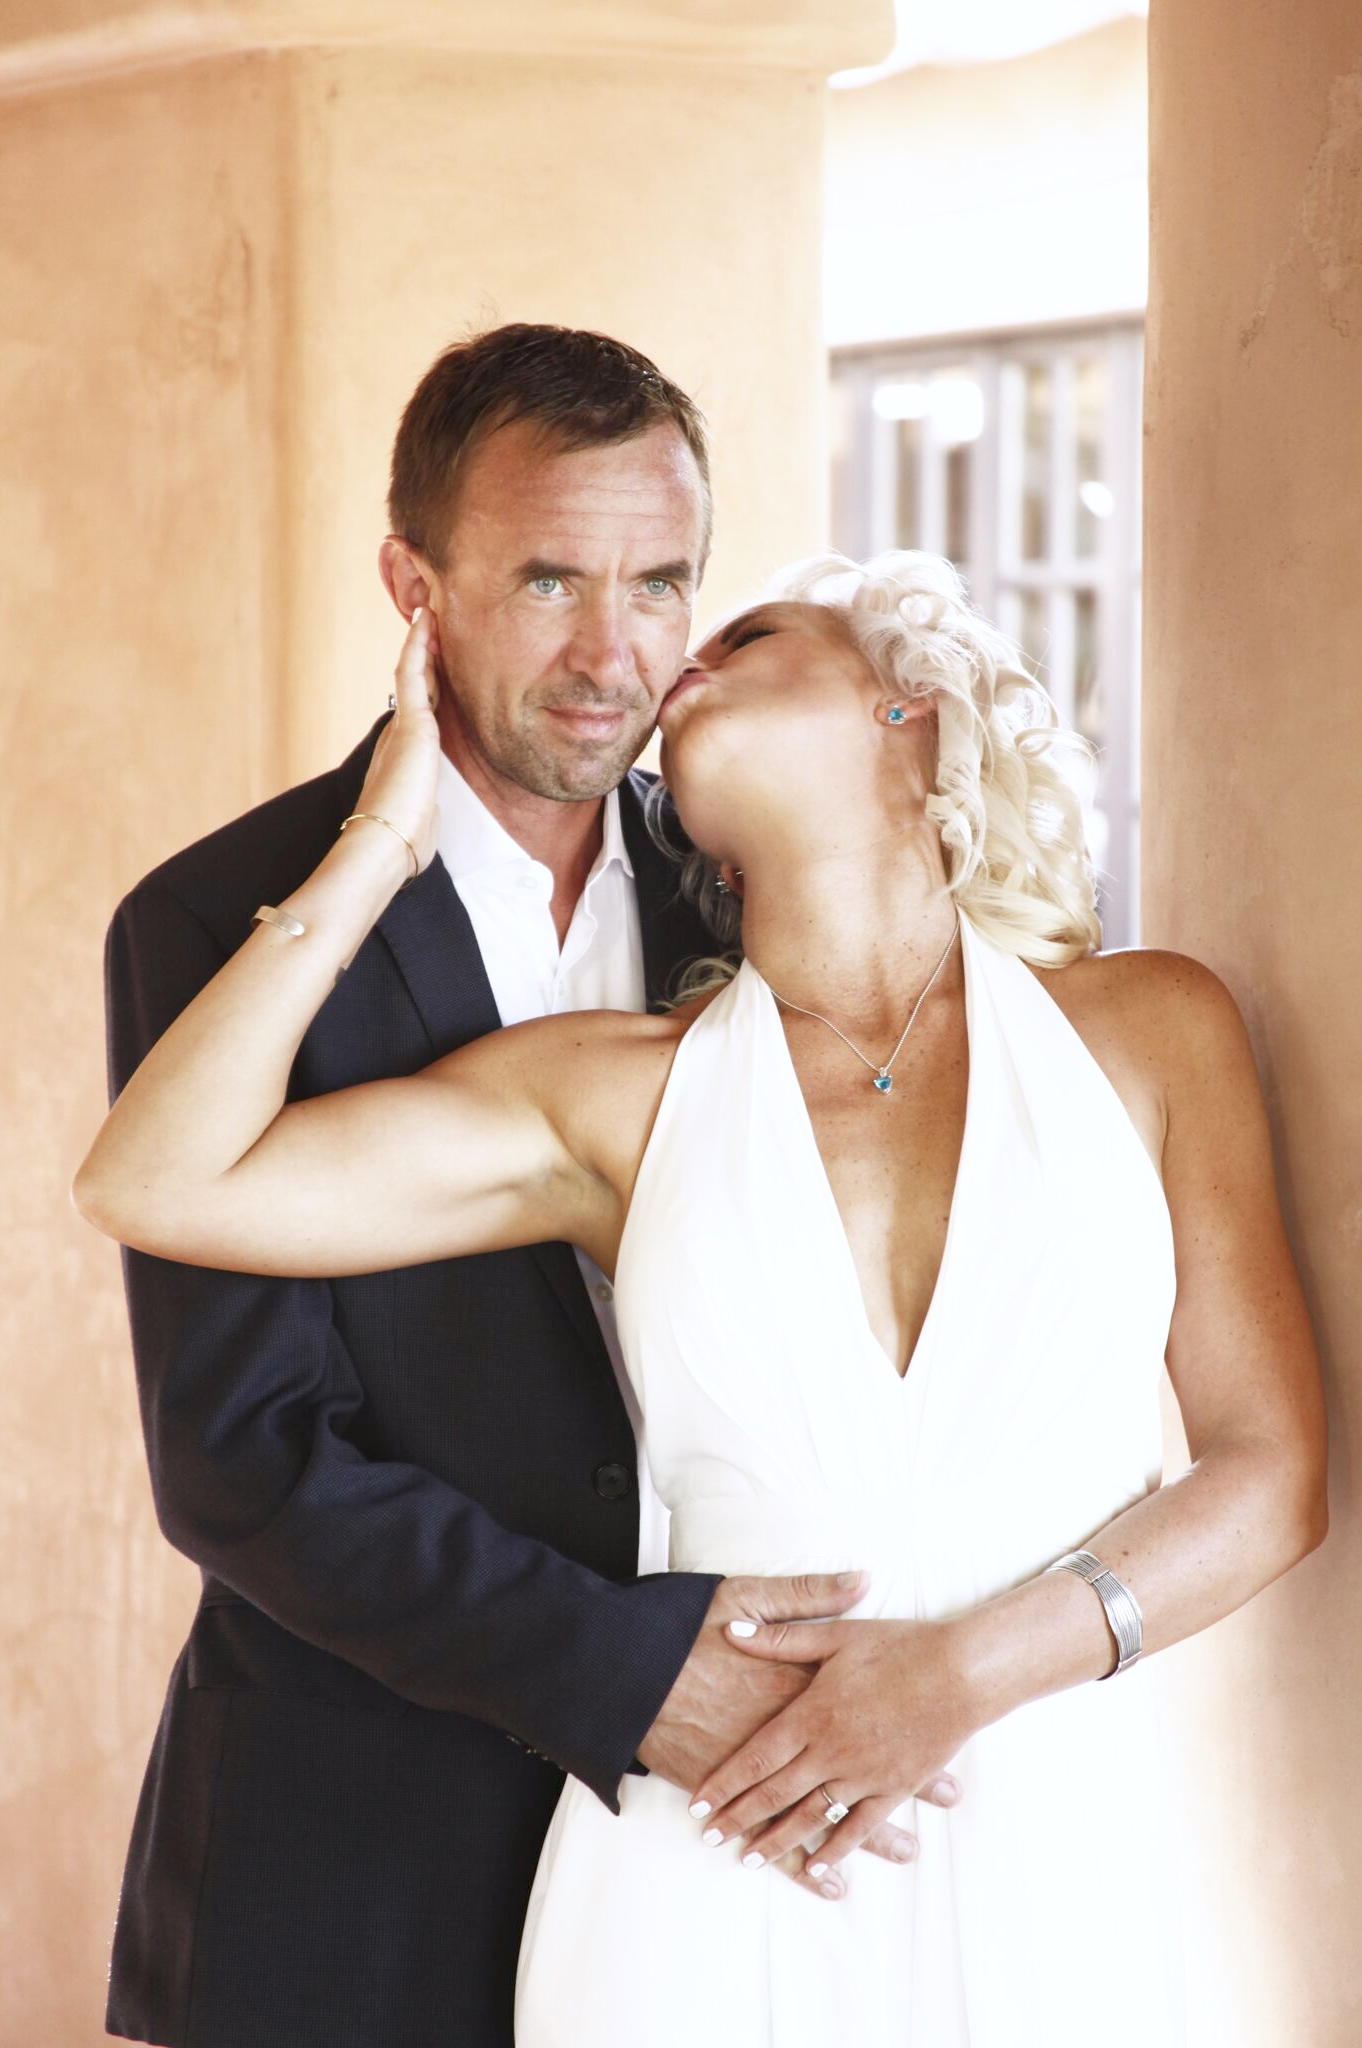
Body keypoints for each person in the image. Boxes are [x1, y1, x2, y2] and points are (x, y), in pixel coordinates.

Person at [77, 548, 1329, 2046]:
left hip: (1051, 1846)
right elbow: (155, 1180)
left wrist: (957, 1675)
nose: (679, 663)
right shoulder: (610, 1096)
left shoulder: (1153, 1030)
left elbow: (1270, 1474)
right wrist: (383, 838)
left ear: (910, 710)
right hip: (715, 1859)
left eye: (748, 632)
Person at [94, 325, 938, 2048]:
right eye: (550, 580)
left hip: (737, 1854)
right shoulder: (215, 921)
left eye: (660, 583)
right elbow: (242, 1458)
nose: (613, 654)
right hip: (356, 1863)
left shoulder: (747, 892)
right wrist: (628, 1676)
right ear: (415, 587)